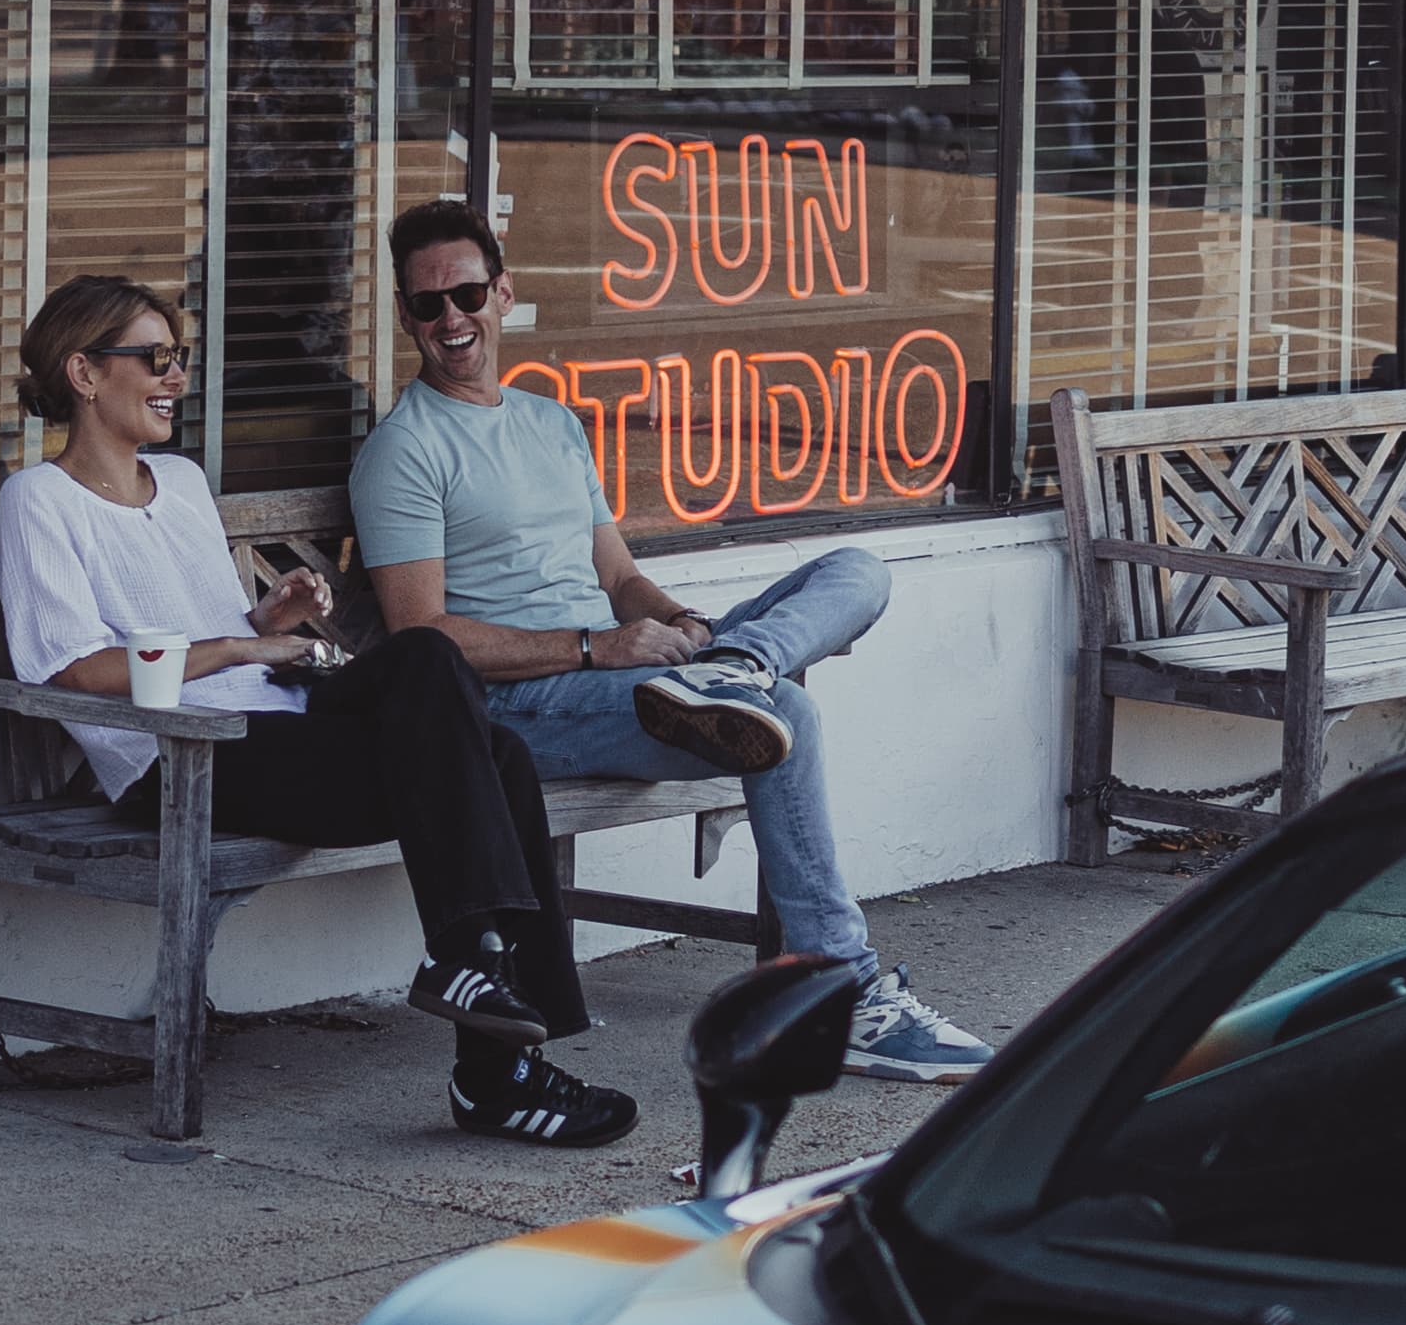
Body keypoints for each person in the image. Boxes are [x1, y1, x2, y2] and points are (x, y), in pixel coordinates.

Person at [348, 195, 991, 1084]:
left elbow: (617, 579)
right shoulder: (404, 451)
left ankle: (732, 666)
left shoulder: (548, 422)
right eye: (427, 305)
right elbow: (421, 638)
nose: (449, 320)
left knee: (856, 570)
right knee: (787, 715)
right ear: (406, 315)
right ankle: (842, 992)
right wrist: (593, 650)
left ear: (502, 293)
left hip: (625, 675)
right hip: (523, 709)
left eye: (464, 295)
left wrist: (679, 624)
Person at [0, 272, 634, 1154]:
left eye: (177, 358)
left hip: (274, 729)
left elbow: (214, 634)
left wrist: (267, 621)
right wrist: (243, 651)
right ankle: (496, 1067)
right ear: (84, 373)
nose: (175, 377)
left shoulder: (178, 483)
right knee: (495, 757)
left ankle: (471, 975)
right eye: (155, 359)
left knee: (429, 662)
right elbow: (73, 668)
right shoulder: (38, 502)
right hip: (180, 760)